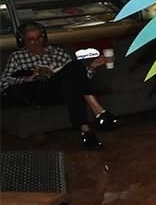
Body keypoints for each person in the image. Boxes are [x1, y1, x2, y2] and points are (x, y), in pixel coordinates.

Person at [1, 22, 118, 150]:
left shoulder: (57, 53)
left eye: (39, 38)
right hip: (38, 93)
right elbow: (3, 82)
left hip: (60, 90)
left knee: (75, 69)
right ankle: (100, 114)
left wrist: (92, 67)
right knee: (73, 77)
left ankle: (86, 130)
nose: (37, 42)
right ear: (22, 41)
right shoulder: (17, 57)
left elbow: (79, 80)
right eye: (31, 40)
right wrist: (28, 78)